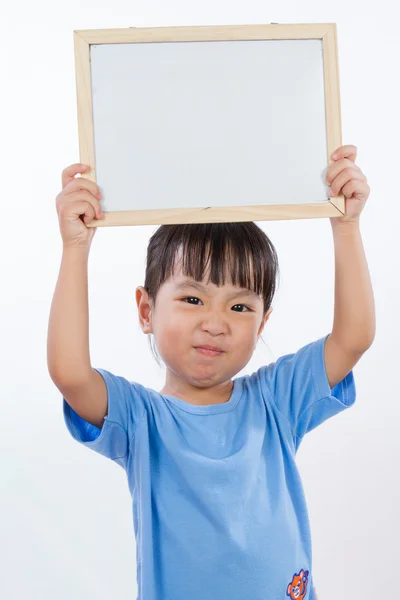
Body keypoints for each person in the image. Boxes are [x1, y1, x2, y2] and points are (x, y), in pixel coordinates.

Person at [47, 144, 375, 600]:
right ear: (146, 310)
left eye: (240, 306)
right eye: (193, 299)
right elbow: (69, 372)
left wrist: (347, 226)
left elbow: (353, 338)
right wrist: (75, 247)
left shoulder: (275, 400)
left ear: (262, 324)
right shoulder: (142, 418)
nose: (216, 323)